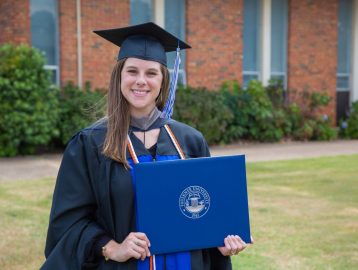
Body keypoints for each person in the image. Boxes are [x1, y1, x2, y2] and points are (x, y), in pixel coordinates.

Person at [41, 22, 250, 270]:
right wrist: (111, 247)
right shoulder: (91, 143)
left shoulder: (189, 140)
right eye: (132, 71)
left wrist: (222, 239)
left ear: (163, 81)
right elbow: (69, 223)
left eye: (151, 73)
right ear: (119, 76)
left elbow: (206, 213)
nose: (141, 81)